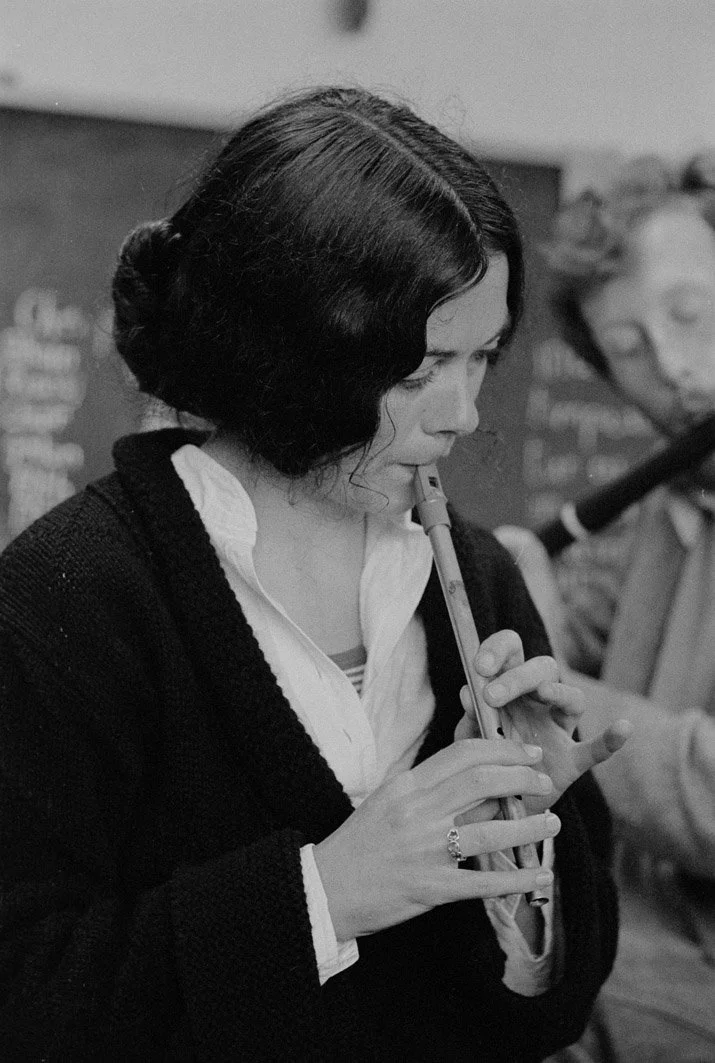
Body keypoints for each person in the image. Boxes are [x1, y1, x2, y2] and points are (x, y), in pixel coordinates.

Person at [0, 86, 628, 1062]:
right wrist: (324, 892)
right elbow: (31, 999)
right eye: (422, 370)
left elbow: (545, 1013)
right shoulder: (67, 598)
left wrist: (525, 847)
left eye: (484, 358)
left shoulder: (475, 574)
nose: (462, 413)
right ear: (284, 350)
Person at [500, 154, 715, 1062]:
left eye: (689, 313)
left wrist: (566, 697)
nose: (670, 365)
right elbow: (561, 632)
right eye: (627, 349)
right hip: (634, 938)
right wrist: (506, 592)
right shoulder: (658, 515)